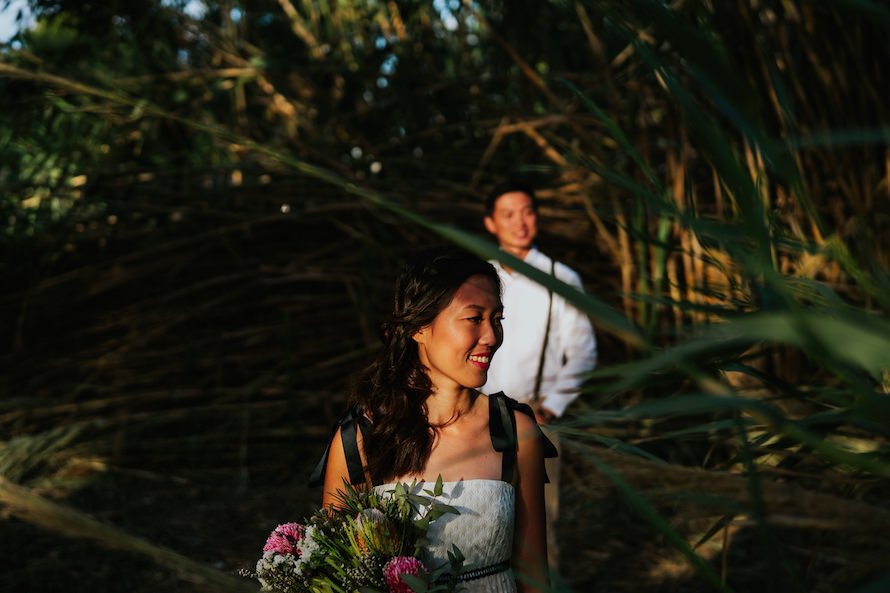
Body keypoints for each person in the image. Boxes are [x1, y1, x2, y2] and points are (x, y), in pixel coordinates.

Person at [310, 245, 556, 593]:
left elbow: (534, 576)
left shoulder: (514, 432)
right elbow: (333, 577)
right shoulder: (363, 439)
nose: (492, 337)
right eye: (474, 318)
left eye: (497, 319)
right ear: (419, 328)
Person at [480, 180, 598, 574]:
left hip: (537, 421)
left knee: (538, 527)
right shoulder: (479, 280)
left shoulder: (560, 278)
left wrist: (553, 405)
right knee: (481, 524)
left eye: (527, 211)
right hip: (479, 420)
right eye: (508, 214)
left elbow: (582, 351)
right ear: (491, 223)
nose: (520, 222)